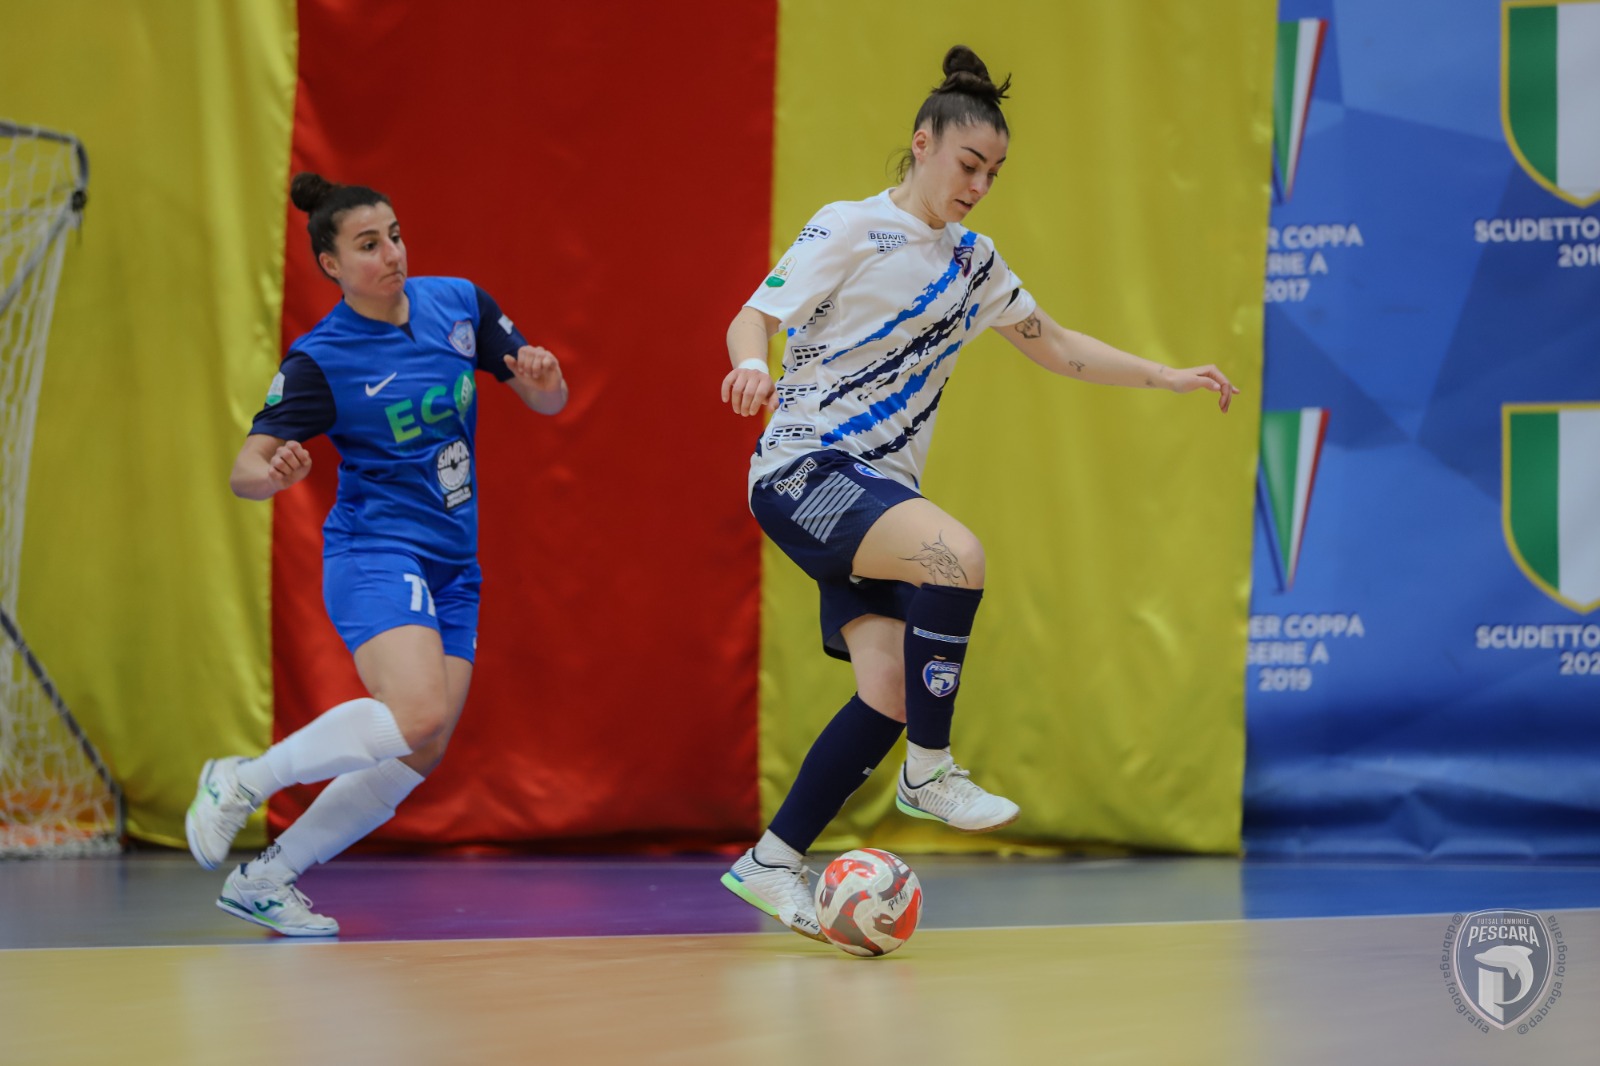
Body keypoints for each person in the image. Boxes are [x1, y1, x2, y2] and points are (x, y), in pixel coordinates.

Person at [717, 46, 1237, 941]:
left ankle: (771, 860)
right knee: (954, 557)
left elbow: (1058, 346)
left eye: (994, 173)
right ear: (922, 144)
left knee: (887, 689)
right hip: (805, 468)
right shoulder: (850, 226)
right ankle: (929, 770)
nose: (980, 185)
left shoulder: (976, 264)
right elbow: (754, 316)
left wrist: (1167, 375)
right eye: (968, 164)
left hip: (877, 489)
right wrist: (752, 366)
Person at [185, 172, 568, 936]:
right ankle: (242, 780)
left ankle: (267, 879)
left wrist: (543, 380)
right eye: (367, 245)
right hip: (376, 550)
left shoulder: (459, 304)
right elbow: (244, 471)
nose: (391, 254)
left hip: (455, 564)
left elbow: (547, 400)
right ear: (330, 264)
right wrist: (276, 473)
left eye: (394, 235)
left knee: (422, 748)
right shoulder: (321, 359)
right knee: (416, 711)